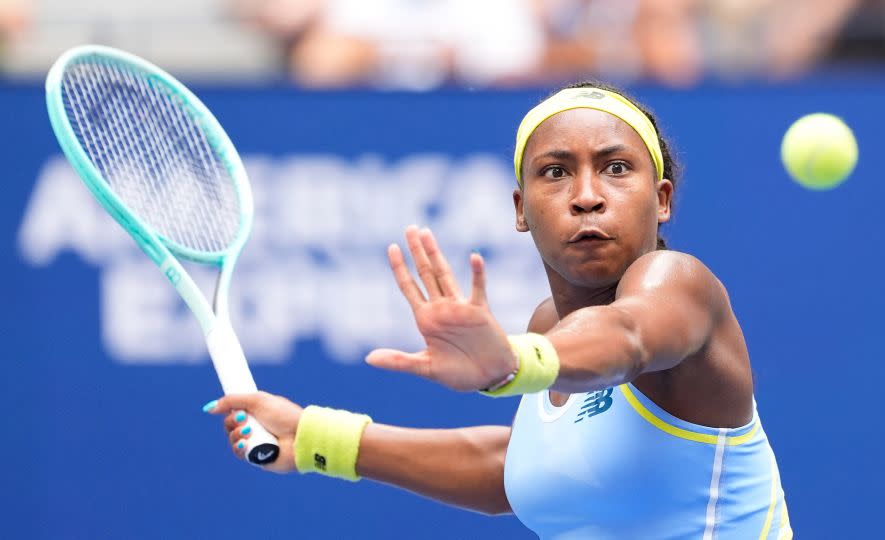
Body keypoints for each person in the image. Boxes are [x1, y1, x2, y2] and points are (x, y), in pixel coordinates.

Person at [204, 81, 792, 539]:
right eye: (555, 172)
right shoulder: (546, 331)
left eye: (616, 168)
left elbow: (627, 337)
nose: (587, 195)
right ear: (521, 209)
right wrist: (313, 437)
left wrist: (514, 362)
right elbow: (518, 468)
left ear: (661, 200)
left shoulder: (678, 285)